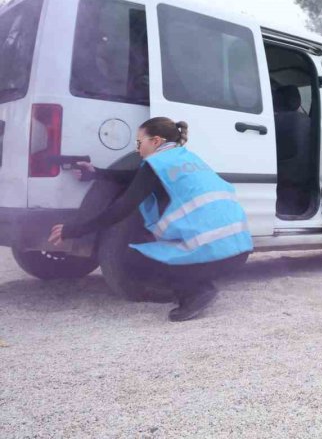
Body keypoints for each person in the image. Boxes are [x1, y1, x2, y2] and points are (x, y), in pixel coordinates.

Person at [48, 117, 252, 322]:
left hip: (216, 253)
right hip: (238, 249)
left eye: (139, 142)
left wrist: (74, 230)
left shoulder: (156, 165)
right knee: (162, 249)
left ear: (155, 141)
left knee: (132, 259)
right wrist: (97, 173)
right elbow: (138, 179)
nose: (137, 149)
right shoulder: (185, 158)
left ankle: (197, 291)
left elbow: (121, 209)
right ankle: (197, 280)